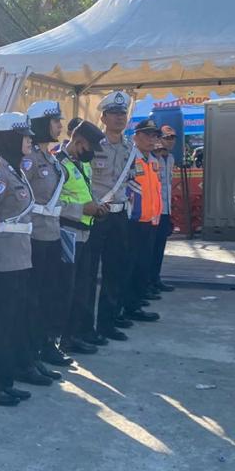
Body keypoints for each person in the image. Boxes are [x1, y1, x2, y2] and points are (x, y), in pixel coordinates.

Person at [0, 113, 39, 403]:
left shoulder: (15, 170)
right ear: (8, 139)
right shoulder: (0, 172)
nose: (29, 141)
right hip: (2, 258)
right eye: (23, 136)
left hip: (19, 256)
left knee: (11, 322)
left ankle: (5, 379)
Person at [87, 91, 139, 342]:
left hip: (119, 215)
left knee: (115, 270)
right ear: (103, 117)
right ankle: (85, 327)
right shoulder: (94, 145)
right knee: (88, 273)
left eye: (123, 113)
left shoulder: (130, 148)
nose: (120, 118)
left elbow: (131, 180)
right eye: (114, 113)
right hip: (97, 215)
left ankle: (107, 323)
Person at [25, 100, 73, 371]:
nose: (59, 126)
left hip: (52, 235)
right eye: (55, 121)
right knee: (33, 299)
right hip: (33, 237)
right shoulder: (29, 159)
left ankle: (46, 345)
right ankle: (31, 350)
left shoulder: (52, 158)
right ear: (42, 124)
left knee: (49, 295)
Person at [59, 119, 106, 356]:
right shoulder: (59, 165)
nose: (91, 153)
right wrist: (82, 209)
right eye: (89, 147)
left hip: (86, 232)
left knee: (83, 286)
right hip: (67, 232)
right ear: (78, 141)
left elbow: (86, 191)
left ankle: (76, 333)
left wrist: (97, 207)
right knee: (68, 288)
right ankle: (64, 338)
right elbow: (53, 202)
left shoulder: (83, 164)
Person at [122, 119, 163, 323]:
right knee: (129, 267)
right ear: (136, 136)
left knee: (142, 266)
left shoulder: (153, 160)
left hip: (150, 222)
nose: (151, 139)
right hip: (132, 222)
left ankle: (135, 305)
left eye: (154, 135)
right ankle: (125, 307)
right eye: (147, 135)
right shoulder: (129, 158)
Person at [150, 125, 177, 295]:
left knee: (159, 248)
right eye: (167, 138)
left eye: (173, 138)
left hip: (165, 210)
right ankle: (147, 281)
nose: (171, 141)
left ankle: (156, 278)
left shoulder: (171, 159)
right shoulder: (152, 158)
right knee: (150, 249)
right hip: (152, 211)